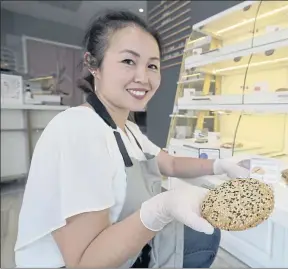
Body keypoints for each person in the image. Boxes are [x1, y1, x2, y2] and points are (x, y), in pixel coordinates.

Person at [14, 10, 249, 268]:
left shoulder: (129, 130)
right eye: (128, 61)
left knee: (205, 234)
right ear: (94, 65)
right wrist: (160, 208)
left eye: (152, 65)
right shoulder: (78, 130)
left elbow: (169, 164)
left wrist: (219, 165)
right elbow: (84, 263)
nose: (143, 77)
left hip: (127, 252)